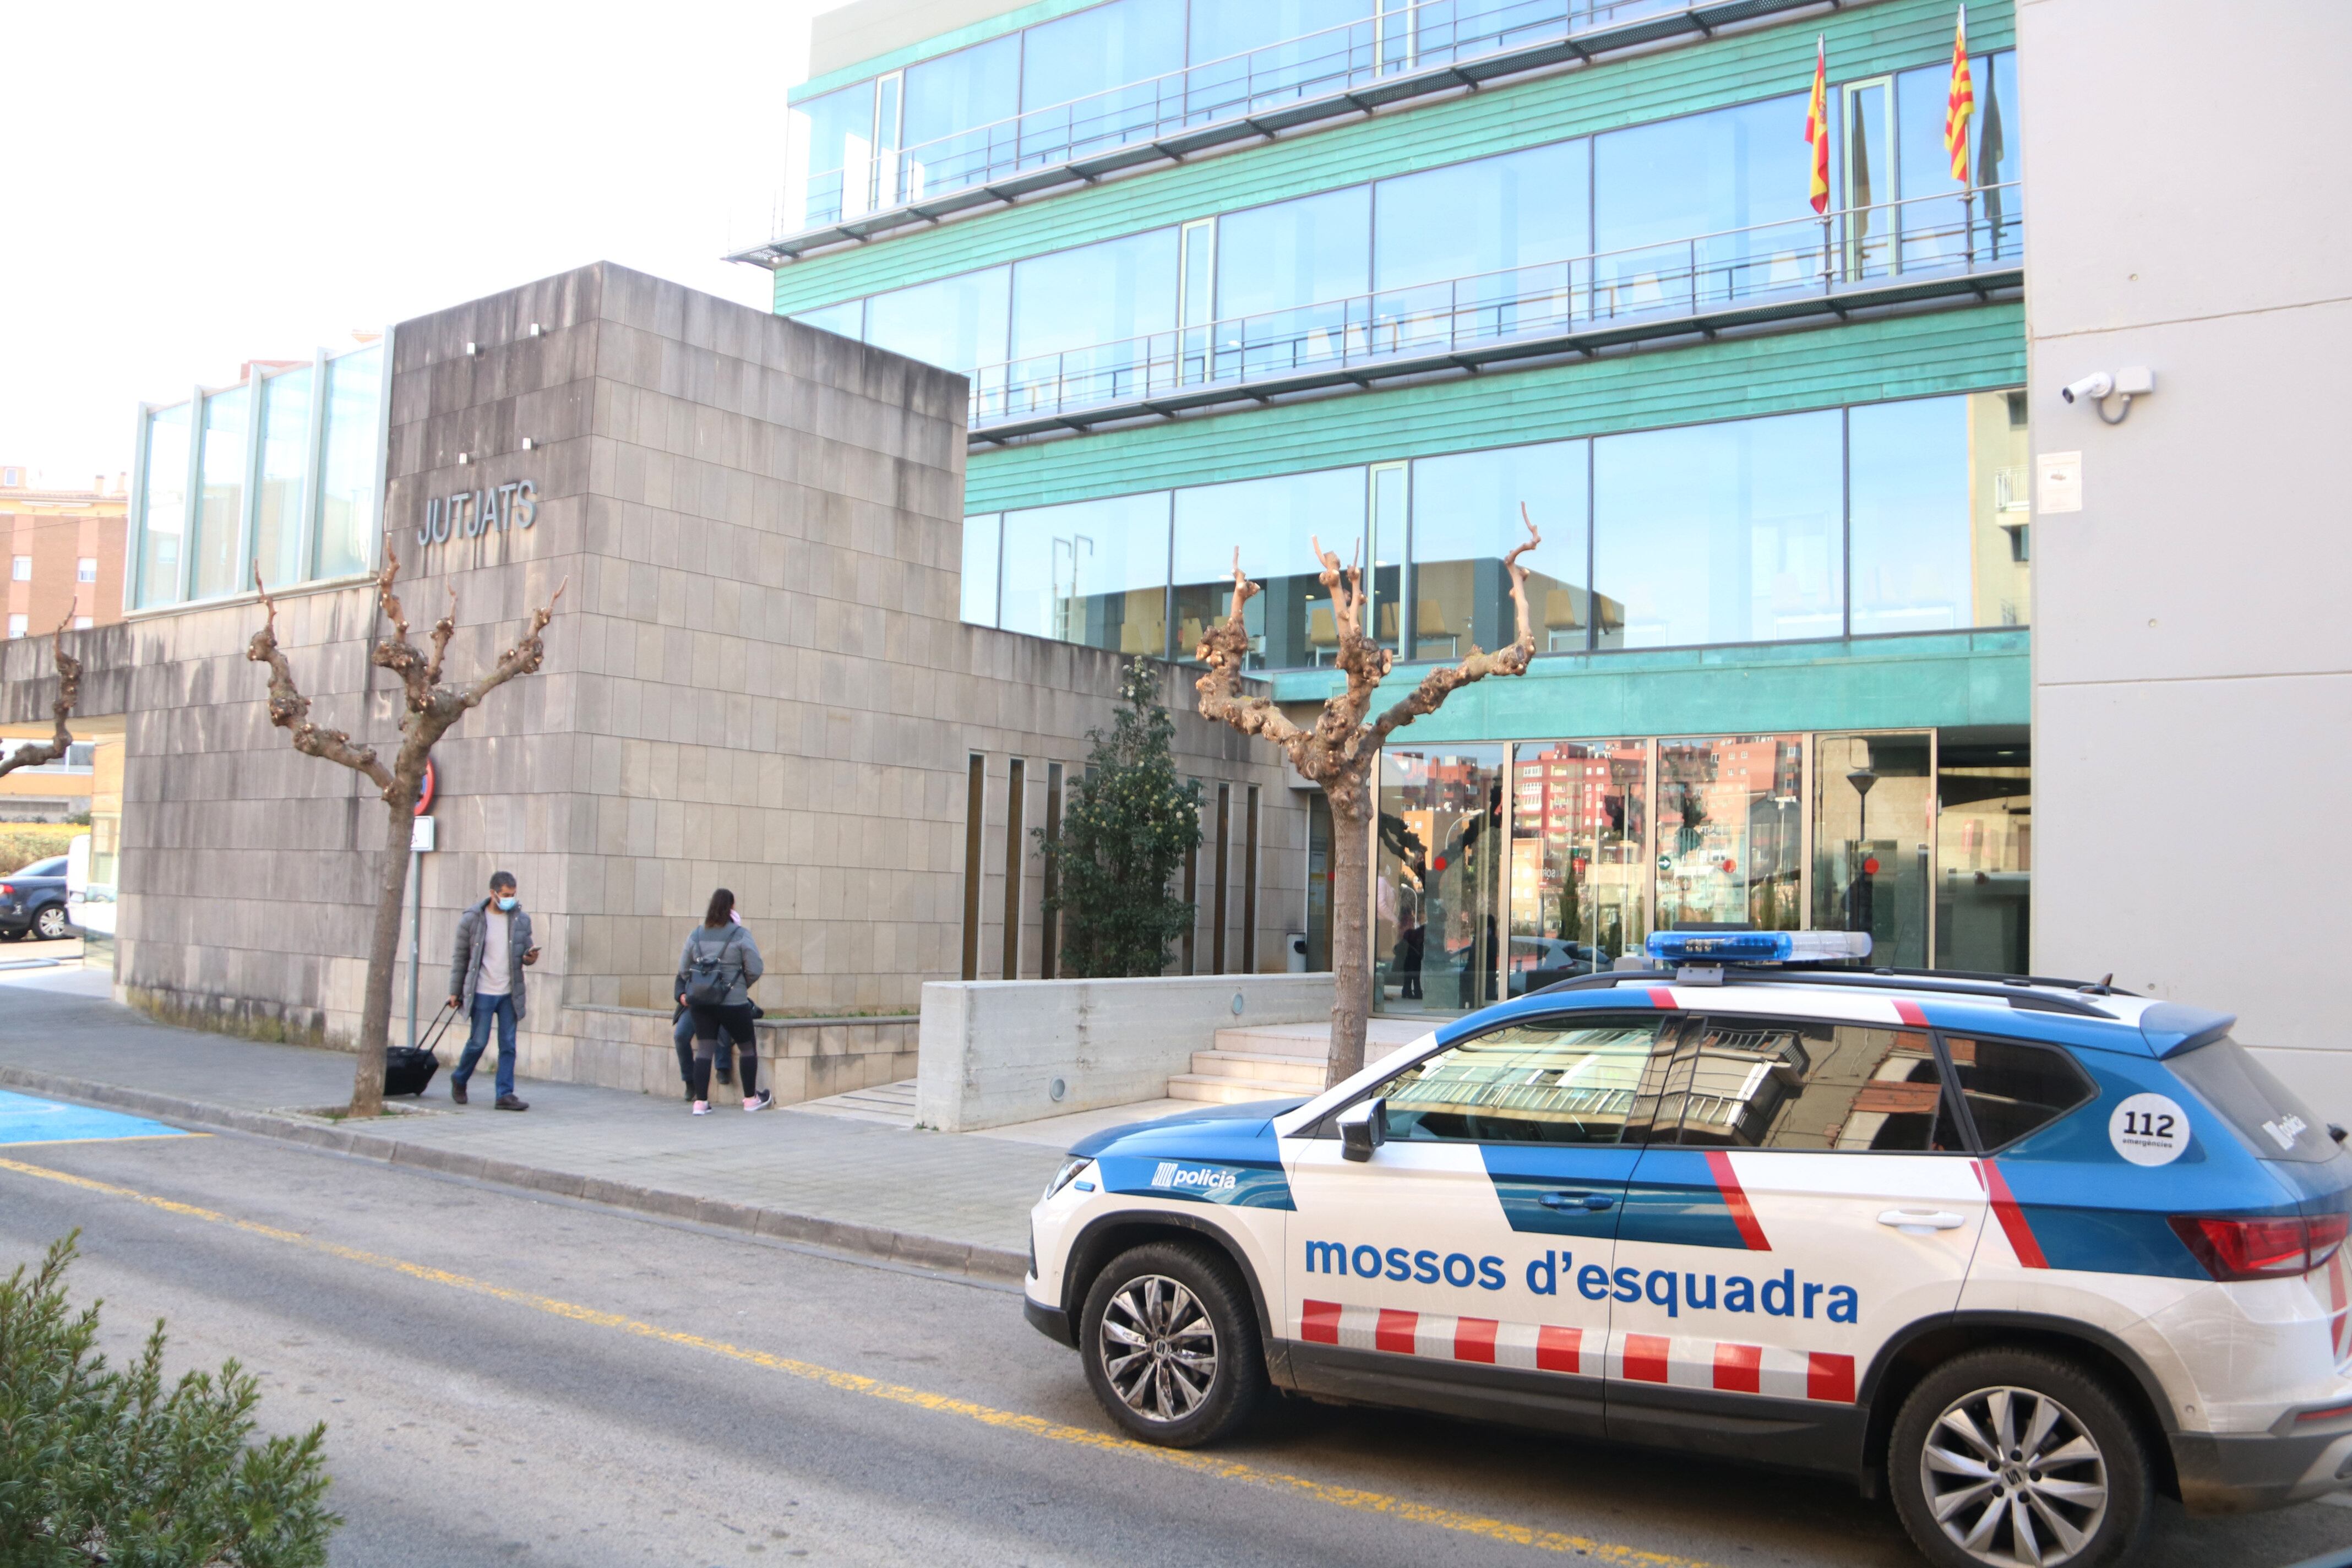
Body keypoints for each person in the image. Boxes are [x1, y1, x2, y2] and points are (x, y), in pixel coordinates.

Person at [448, 870, 538, 1110]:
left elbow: (526, 953)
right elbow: (461, 958)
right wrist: (454, 992)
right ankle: (459, 1078)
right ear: (493, 893)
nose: (510, 899)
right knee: (478, 1042)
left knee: (508, 1044)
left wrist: (530, 957)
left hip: (510, 992)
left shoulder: (521, 920)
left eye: (513, 895)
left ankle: (504, 1095)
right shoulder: (472, 919)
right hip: (482, 992)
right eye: (506, 895)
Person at [677, 889, 770, 1115]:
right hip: (734, 1003)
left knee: (704, 1050)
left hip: (702, 1004)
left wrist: (702, 987)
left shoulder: (696, 934)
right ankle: (750, 1099)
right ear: (731, 907)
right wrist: (739, 986)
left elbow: (683, 970)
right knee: (747, 1047)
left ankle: (701, 1103)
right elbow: (755, 968)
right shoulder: (740, 934)